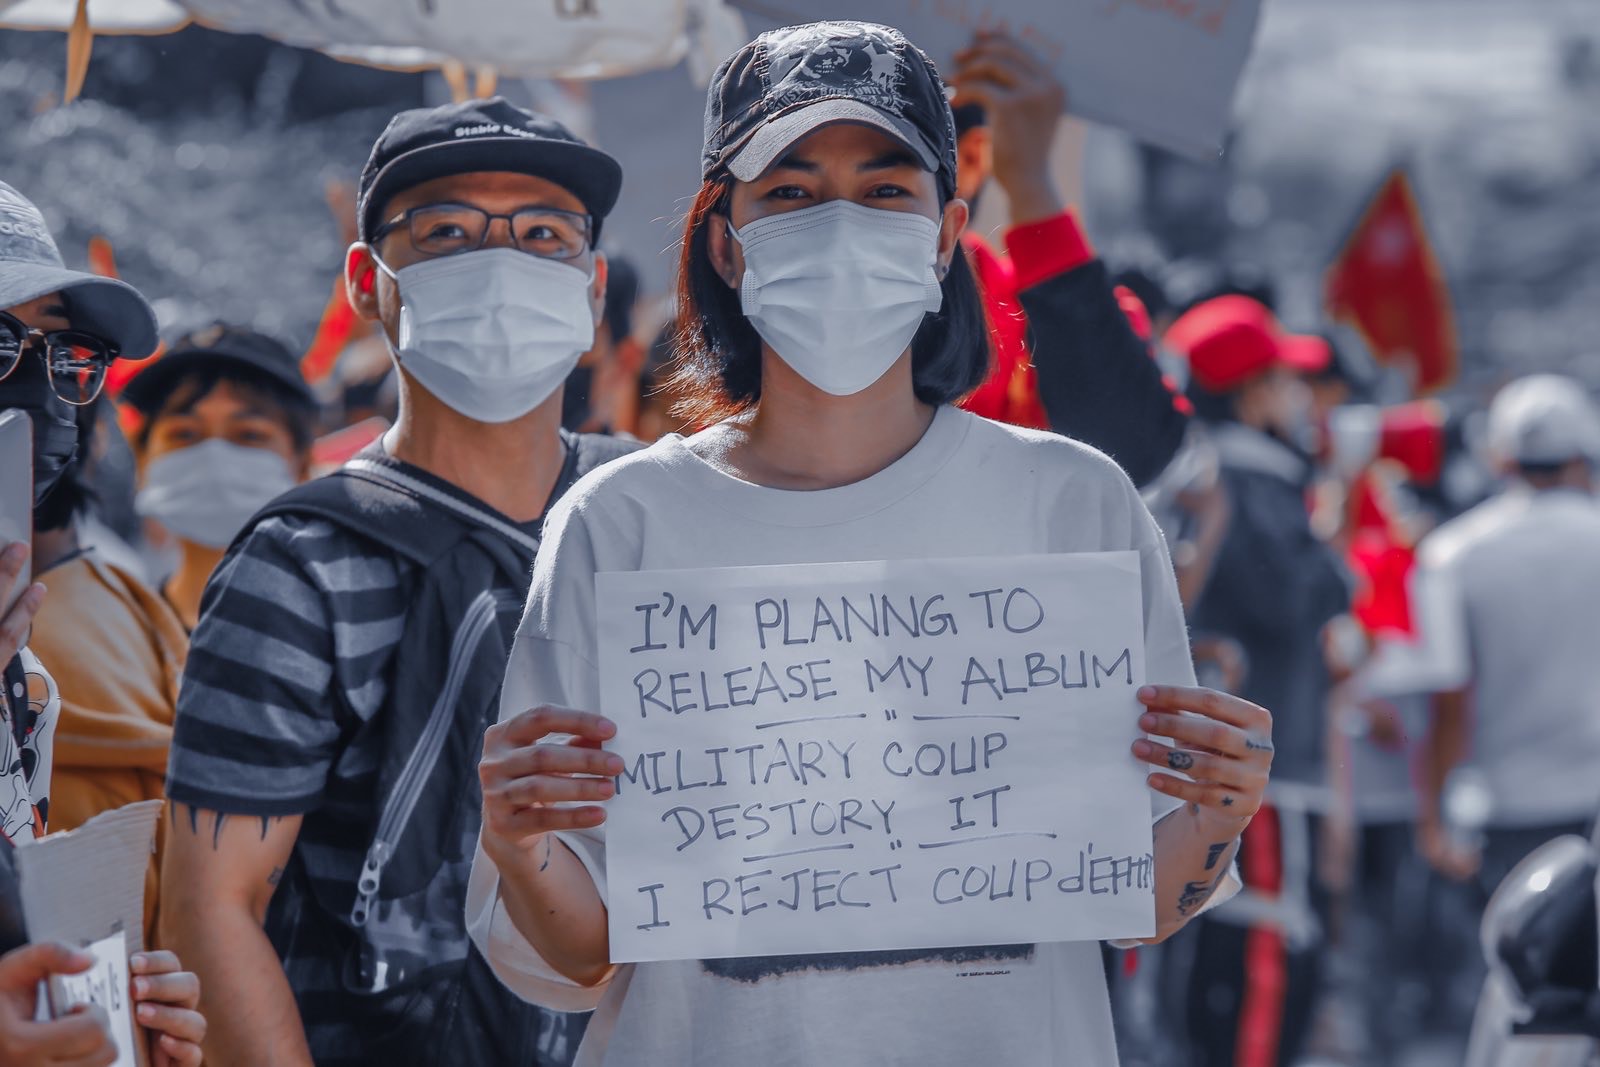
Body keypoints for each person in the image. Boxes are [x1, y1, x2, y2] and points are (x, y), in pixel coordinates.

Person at [467, 22, 1272, 1066]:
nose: (839, 225)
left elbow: (1139, 898)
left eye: (885, 189)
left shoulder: (1075, 504)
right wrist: (514, 837)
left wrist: (1217, 812)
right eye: (792, 191)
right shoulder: (621, 524)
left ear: (946, 235)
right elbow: (578, 949)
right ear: (725, 238)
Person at [160, 98, 639, 1067]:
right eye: (445, 232)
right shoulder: (298, 565)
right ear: (368, 283)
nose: (498, 263)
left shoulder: (653, 518)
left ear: (591, 292)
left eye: (543, 233)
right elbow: (214, 909)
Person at [0, 178, 205, 1067]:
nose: (42, 391)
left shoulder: (22, 678)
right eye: (0, 343)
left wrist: (115, 1026)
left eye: (66, 353)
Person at [1166, 294, 1351, 1067]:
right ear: (1250, 392)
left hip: (1227, 752)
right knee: (1262, 958)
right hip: (1258, 765)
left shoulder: (1212, 467)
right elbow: (1298, 599)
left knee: (1229, 954)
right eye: (1284, 378)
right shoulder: (1254, 477)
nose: (1299, 397)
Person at [946, 31, 1190, 486]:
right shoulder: (784, 303)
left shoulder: (1038, 319)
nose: (842, 210)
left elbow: (1128, 452)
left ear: (972, 160)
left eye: (886, 171)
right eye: (799, 184)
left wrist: (1031, 183)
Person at [1412, 375, 1600, 895]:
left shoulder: (1453, 555)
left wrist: (1432, 819)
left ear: (1501, 459)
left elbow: (1448, 700)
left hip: (1505, 808)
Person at [120, 324, 317, 631]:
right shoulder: (114, 643)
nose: (213, 455)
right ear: (142, 458)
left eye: (249, 435)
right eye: (184, 434)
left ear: (302, 464)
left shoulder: (345, 638)